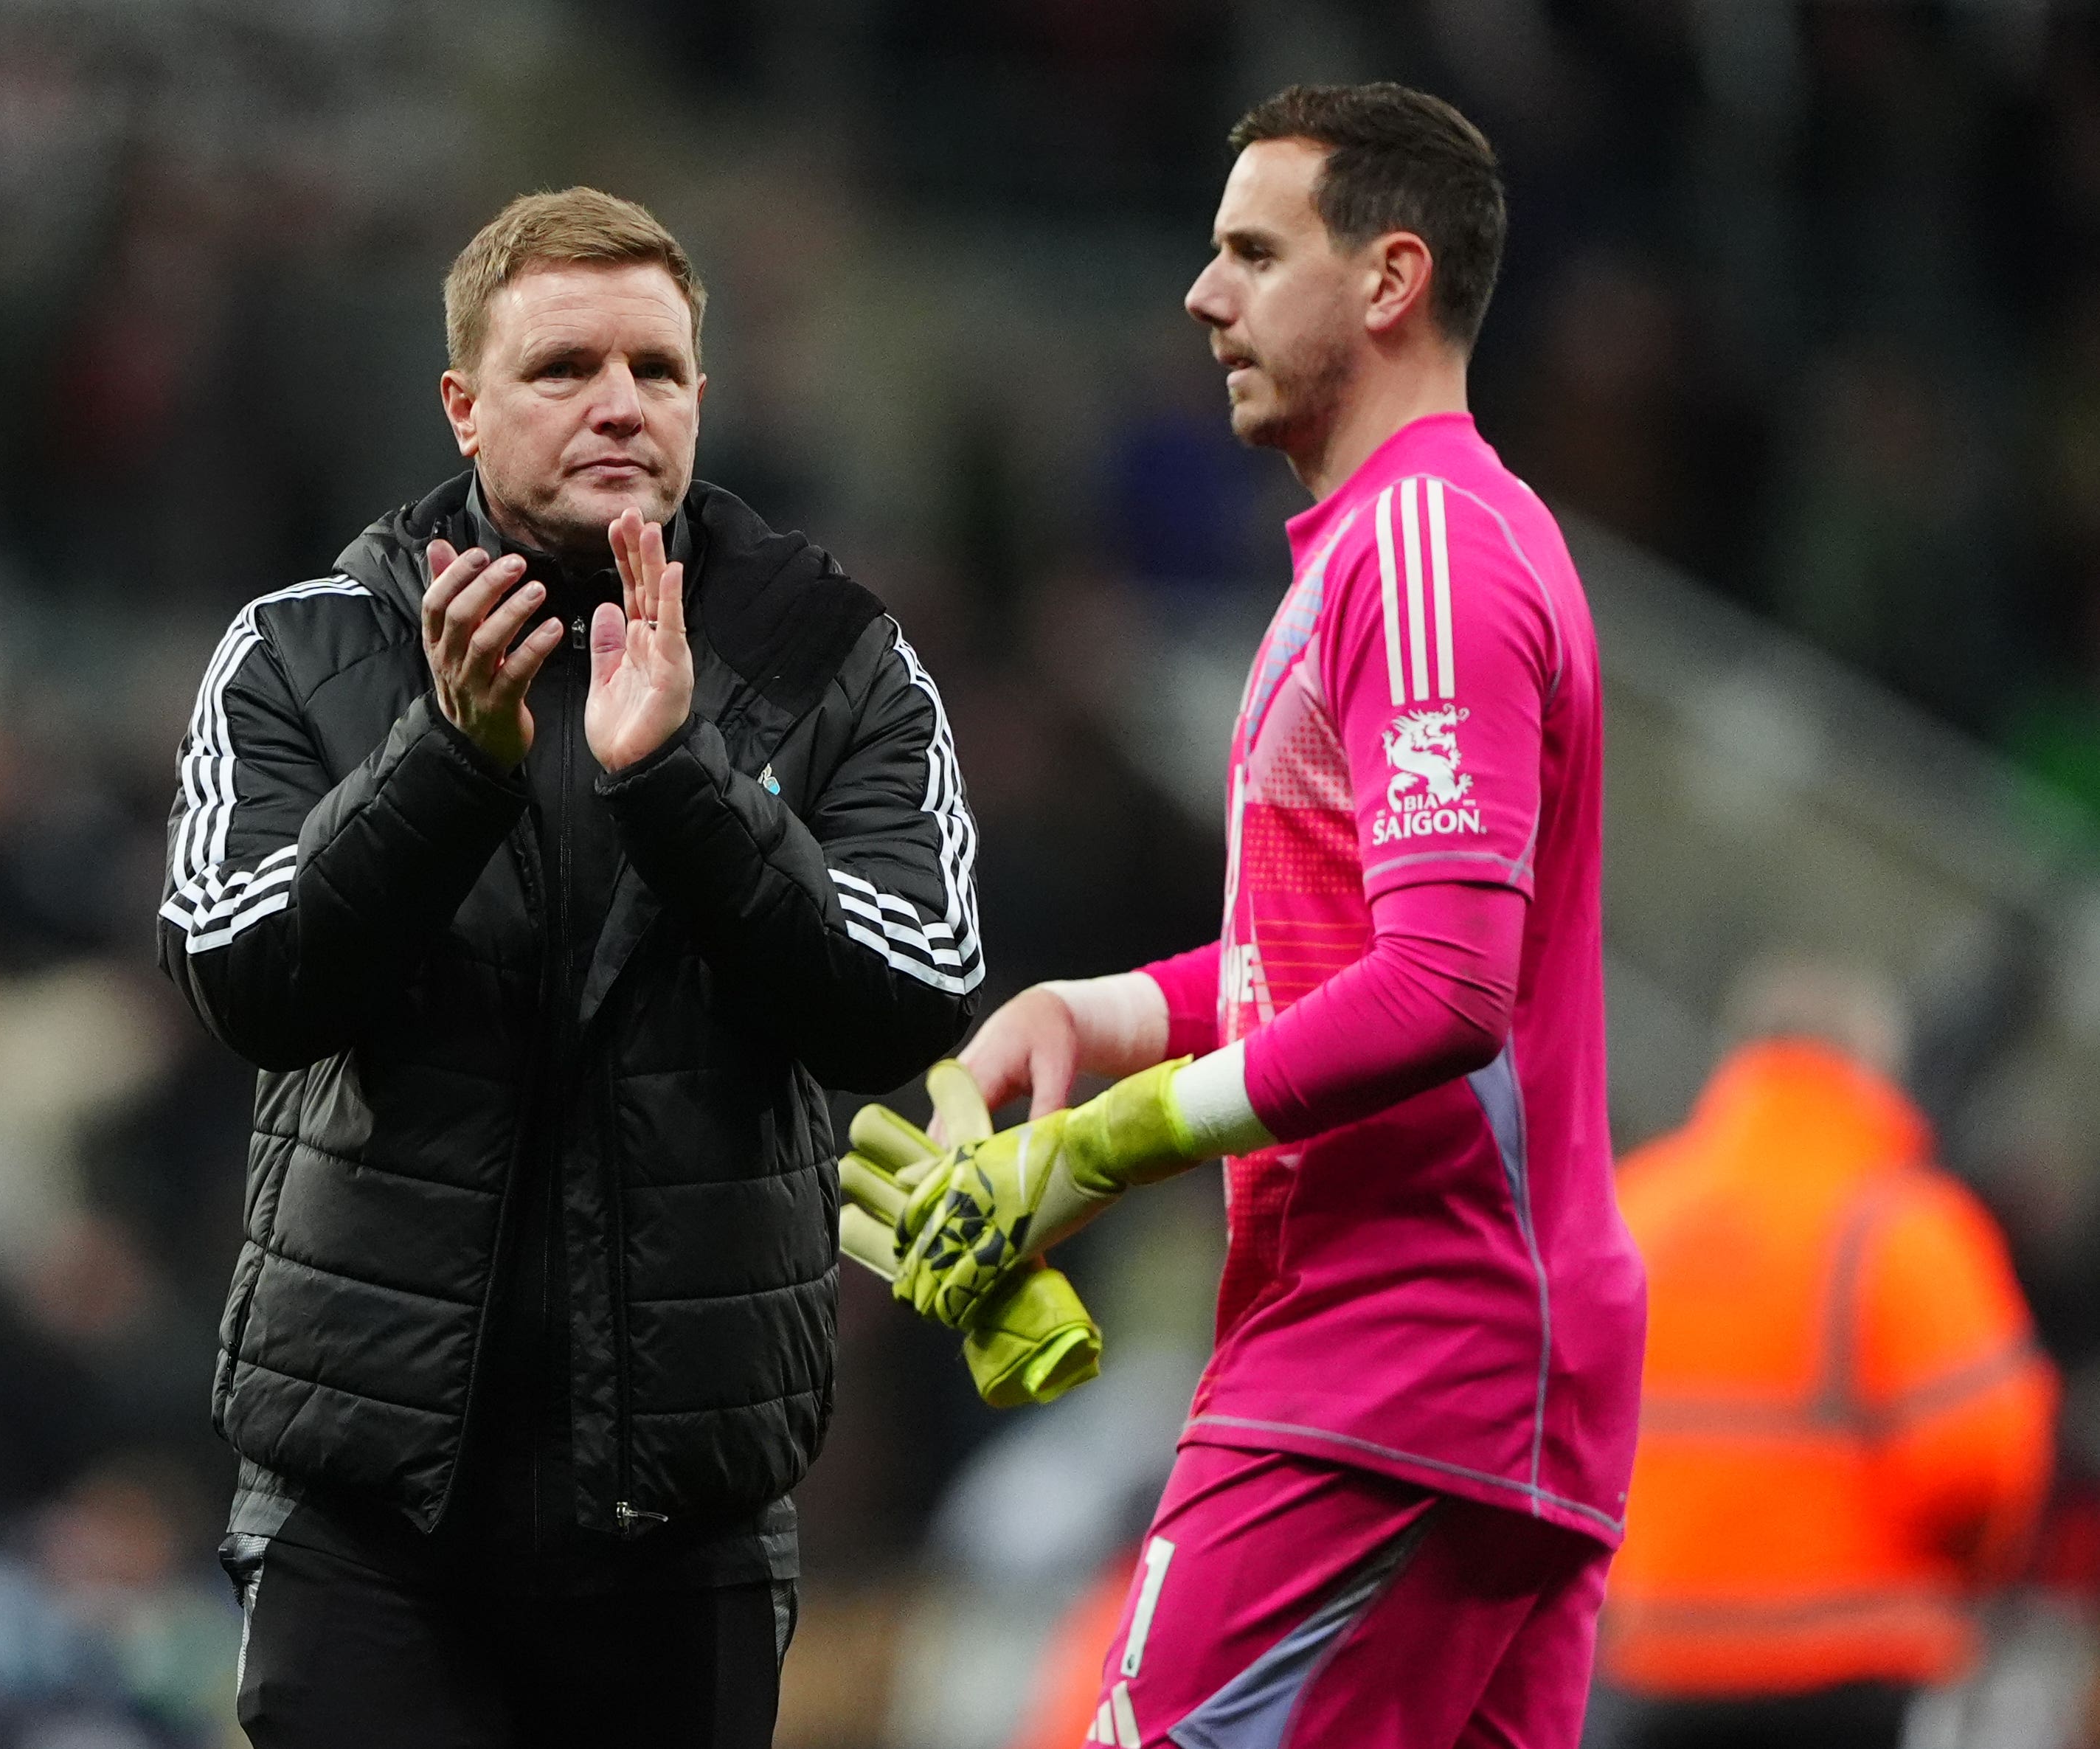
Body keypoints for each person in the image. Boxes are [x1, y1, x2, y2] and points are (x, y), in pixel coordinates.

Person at [842, 83, 1645, 1747]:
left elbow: (1437, 988)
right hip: (1463, 1376)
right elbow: (1332, 955)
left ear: (1387, 280)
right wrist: (1100, 1013)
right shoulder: (1383, 553)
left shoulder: (1421, 541)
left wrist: (1102, 1142)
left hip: (1386, 1360)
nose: (1201, 296)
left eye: (1250, 252)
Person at [155, 187, 982, 1748]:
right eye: (562, 368)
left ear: (701, 400)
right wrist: (442, 769)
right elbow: (244, 979)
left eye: (656, 370)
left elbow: (908, 1001)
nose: (619, 403)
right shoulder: (302, 651)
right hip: (366, 1518)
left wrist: (678, 783)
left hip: (682, 1532)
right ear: (463, 407)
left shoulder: (834, 663)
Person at [1585, 962, 2056, 1749]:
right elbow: (1979, 1459)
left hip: (1644, 1663)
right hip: (1846, 1672)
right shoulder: (1902, 1227)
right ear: (1870, 1072)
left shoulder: (1632, 1206)